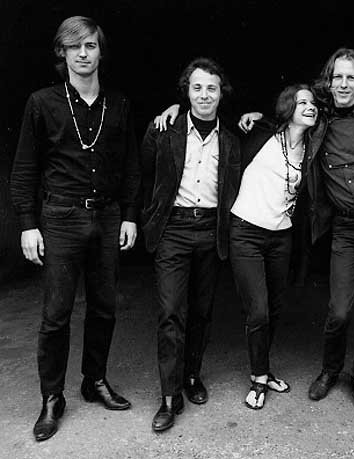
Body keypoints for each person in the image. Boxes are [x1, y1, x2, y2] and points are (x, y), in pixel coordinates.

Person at [241, 48, 354, 412]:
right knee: (339, 311)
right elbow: (288, 119)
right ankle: (330, 370)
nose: (344, 84)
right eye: (338, 77)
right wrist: (255, 117)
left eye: (351, 77)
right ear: (329, 82)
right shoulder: (319, 120)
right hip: (345, 229)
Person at [10, 16, 139, 441]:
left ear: (101, 52)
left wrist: (129, 214)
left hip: (107, 216)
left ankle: (94, 380)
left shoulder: (118, 104)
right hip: (60, 217)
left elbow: (131, 166)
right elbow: (25, 168)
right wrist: (28, 224)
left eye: (90, 45)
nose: (83, 54)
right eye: (74, 47)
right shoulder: (42, 103)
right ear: (62, 53)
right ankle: (52, 397)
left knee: (104, 307)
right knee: (56, 314)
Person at [141, 57, 241, 432]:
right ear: (187, 91)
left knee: (202, 310)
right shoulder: (164, 129)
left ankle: (192, 375)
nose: (204, 95)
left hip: (210, 230)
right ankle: (169, 396)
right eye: (197, 87)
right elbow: (143, 171)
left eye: (211, 88)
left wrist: (256, 117)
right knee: (170, 311)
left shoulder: (230, 140)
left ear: (221, 94)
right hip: (174, 229)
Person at [231, 84, 317, 409]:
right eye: (302, 102)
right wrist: (173, 109)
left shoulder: (312, 149)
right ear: (288, 107)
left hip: (281, 237)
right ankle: (259, 378)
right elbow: (223, 122)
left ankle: (263, 369)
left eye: (313, 103)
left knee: (275, 309)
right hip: (246, 232)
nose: (310, 106)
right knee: (259, 310)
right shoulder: (262, 132)